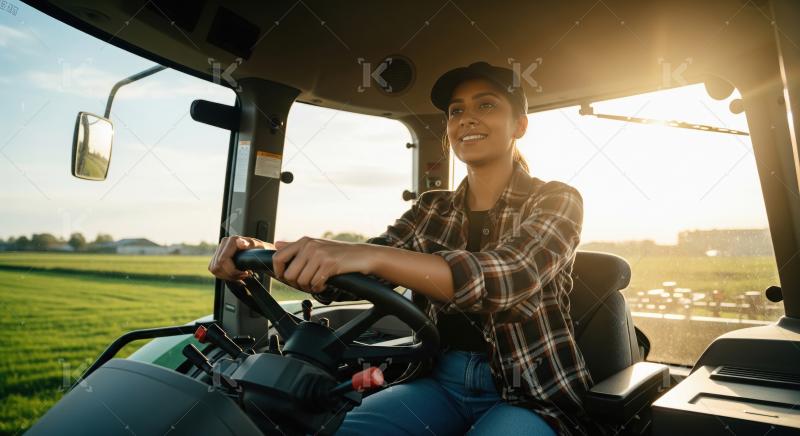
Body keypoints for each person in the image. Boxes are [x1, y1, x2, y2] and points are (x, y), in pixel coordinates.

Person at [209, 61, 599, 435]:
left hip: (529, 392)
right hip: (437, 379)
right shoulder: (432, 208)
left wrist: (375, 255)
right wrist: (265, 253)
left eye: (487, 105)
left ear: (520, 125)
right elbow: (349, 278)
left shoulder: (557, 199)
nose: (466, 118)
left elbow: (508, 278)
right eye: (455, 110)